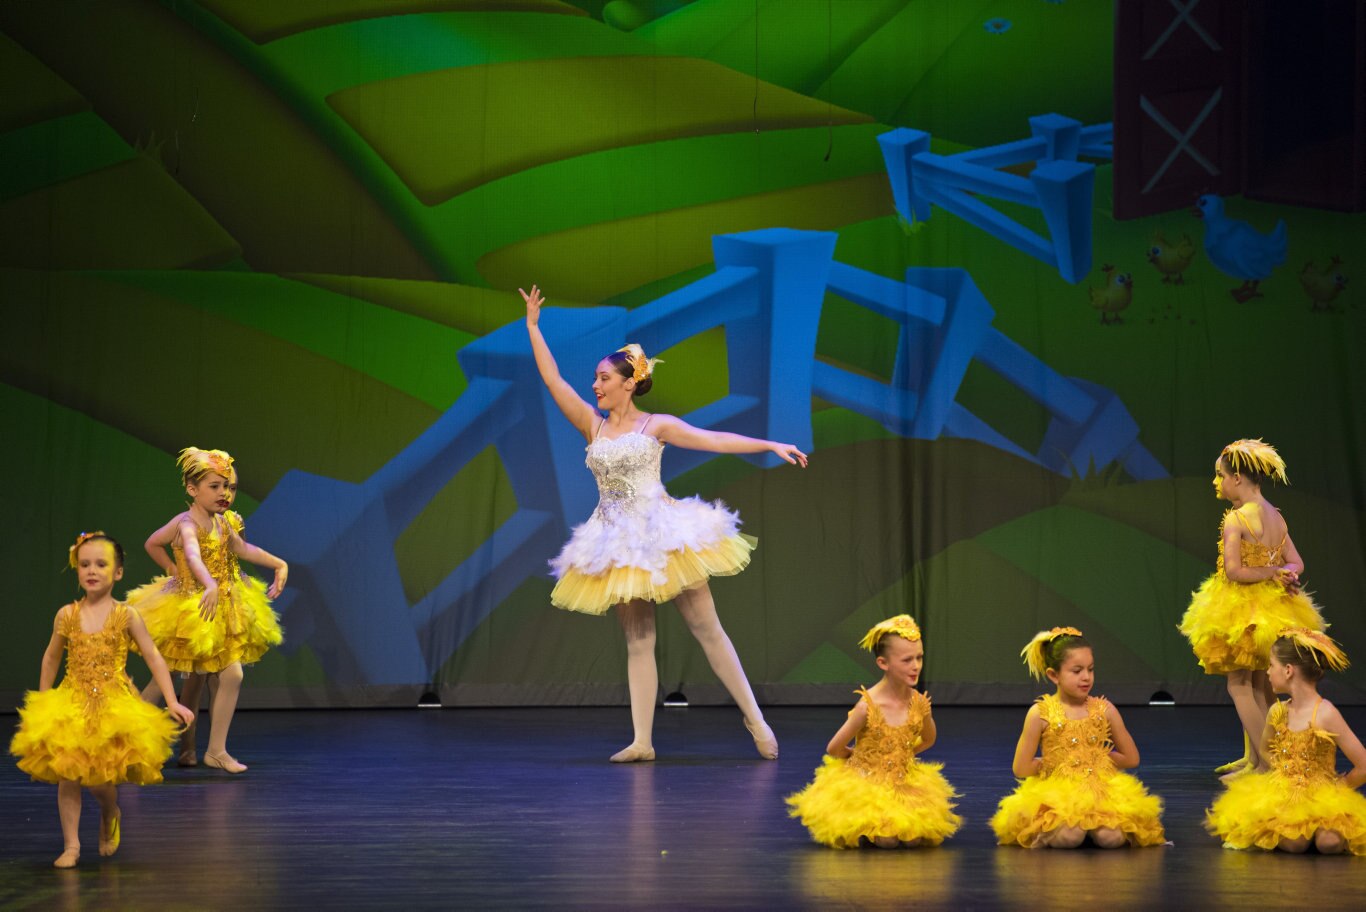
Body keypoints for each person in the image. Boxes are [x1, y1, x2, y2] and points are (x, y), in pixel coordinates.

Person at [522, 285, 806, 762]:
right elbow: (554, 383)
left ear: (628, 383)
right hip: (616, 542)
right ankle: (642, 740)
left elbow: (712, 438)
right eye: (595, 378)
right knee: (638, 640)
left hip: (663, 534)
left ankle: (755, 719)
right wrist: (533, 328)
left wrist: (769, 444)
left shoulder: (656, 426)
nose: (595, 385)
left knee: (707, 628)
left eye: (604, 377)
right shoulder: (592, 426)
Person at [10, 532, 196, 868]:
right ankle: (72, 846)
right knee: (69, 774)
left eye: (100, 564)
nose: (91, 570)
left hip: (113, 703)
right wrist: (41, 700)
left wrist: (172, 701)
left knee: (99, 780)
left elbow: (154, 657)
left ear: (118, 572)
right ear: (77, 569)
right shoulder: (66, 614)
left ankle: (110, 810)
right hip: (73, 700)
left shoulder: (126, 615)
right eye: (84, 564)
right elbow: (51, 657)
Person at [126, 447, 287, 773]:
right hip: (187, 608)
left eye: (229, 487)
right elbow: (180, 551)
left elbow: (242, 548)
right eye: (215, 486)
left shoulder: (227, 522)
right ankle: (129, 744)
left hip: (219, 609)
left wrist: (278, 563)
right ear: (192, 488)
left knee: (232, 674)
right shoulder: (186, 523)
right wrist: (178, 571)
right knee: (161, 681)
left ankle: (216, 750)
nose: (224, 493)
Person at [1178, 439, 1325, 776]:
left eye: (1220, 476)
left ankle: (1269, 766)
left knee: (1240, 684)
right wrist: (1285, 574)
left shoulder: (1237, 518)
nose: (1216, 482)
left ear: (1238, 478)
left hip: (1243, 608)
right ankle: (1255, 759)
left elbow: (1234, 571)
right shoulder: (1275, 515)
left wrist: (1275, 572)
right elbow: (1297, 562)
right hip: (1274, 609)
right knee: (1260, 684)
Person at [785, 615, 961, 848]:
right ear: (883, 663)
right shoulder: (867, 706)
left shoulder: (919, 703)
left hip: (902, 780)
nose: (916, 666)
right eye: (907, 660)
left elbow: (929, 738)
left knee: (914, 838)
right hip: (868, 783)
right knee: (886, 840)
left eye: (919, 658)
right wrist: (861, 759)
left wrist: (904, 756)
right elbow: (834, 747)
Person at [990, 627, 1165, 849]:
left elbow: (1131, 758)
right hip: (1059, 792)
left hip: (1099, 788)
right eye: (1076, 671)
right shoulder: (1040, 714)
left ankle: (1093, 830)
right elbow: (1021, 768)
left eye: (1090, 670)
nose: (1086, 677)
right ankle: (1055, 835)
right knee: (1069, 837)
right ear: (1054, 675)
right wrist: (1057, 764)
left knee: (1111, 839)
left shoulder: (1105, 710)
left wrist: (1095, 760)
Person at [1206, 628, 1366, 854]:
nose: (1268, 672)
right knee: (1294, 841)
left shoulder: (1325, 713)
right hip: (1287, 792)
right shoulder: (1278, 711)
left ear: (1288, 670)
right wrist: (1284, 773)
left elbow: (1363, 765)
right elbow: (1265, 749)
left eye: (1271, 665)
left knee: (1329, 842)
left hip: (1322, 794)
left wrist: (1340, 787)